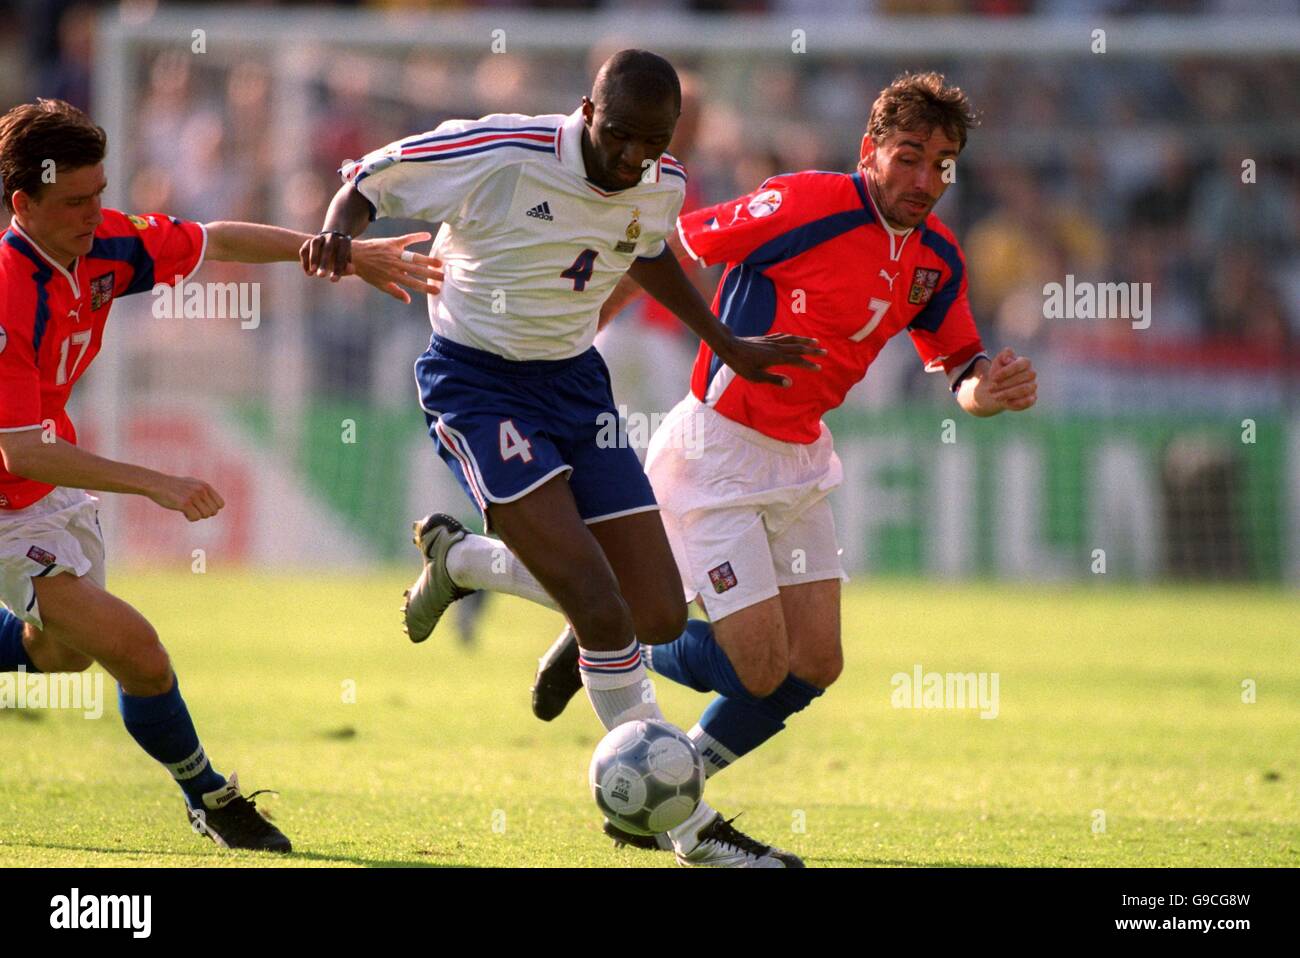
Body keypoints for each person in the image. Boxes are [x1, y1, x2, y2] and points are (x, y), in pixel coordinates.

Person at [400, 71, 1039, 862]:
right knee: (757, 666)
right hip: (718, 452)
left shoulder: (938, 258)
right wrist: (571, 343)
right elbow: (658, 249)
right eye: (909, 157)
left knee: (815, 664)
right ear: (869, 150)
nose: (925, 179)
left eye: (942, 164)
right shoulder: (803, 203)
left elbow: (961, 367)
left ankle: (665, 772)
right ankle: (606, 636)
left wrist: (990, 389)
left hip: (802, 458)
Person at [302, 50, 821, 867]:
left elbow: (648, 250)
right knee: (603, 610)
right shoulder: (502, 151)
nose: (630, 159)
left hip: (579, 388)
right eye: (618, 137)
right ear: (586, 109)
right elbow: (368, 177)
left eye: (650, 144)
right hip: (478, 383)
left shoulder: (662, 179)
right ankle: (688, 830)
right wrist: (337, 228)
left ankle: (468, 561)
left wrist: (727, 342)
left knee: (655, 614)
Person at [0, 98, 439, 852]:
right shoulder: (10, 293)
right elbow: (20, 451)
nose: (93, 213)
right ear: (23, 205)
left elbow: (216, 241)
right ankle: (212, 796)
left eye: (99, 194)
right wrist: (158, 483)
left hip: (50, 488)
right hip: (9, 499)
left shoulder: (106, 243)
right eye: (74, 202)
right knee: (138, 651)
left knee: (61, 651)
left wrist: (337, 249)